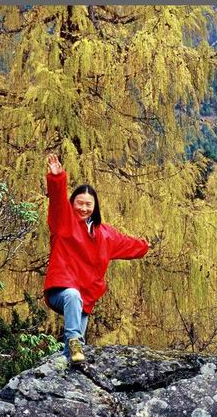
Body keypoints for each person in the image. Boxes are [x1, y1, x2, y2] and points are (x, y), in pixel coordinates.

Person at [44, 154, 149, 363]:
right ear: (72, 203)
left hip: (85, 298)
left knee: (74, 355)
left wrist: (144, 246)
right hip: (61, 290)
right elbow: (56, 201)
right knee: (73, 301)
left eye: (88, 204)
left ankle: (67, 370)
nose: (83, 208)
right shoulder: (63, 222)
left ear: (95, 207)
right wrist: (57, 178)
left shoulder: (105, 234)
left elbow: (126, 243)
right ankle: (74, 340)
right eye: (79, 203)